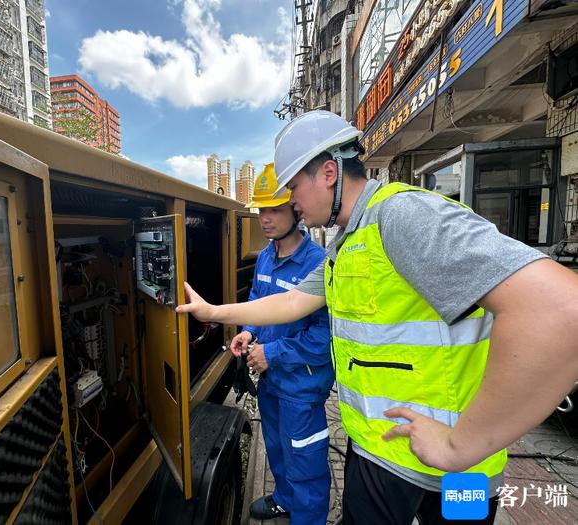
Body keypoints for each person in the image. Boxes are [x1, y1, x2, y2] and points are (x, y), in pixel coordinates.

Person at [177, 111, 578, 524]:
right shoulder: (346, 243)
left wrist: (462, 445)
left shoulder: (402, 216)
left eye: (294, 186)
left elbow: (561, 311)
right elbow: (292, 302)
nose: (290, 200)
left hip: (459, 474)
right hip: (379, 456)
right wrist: (213, 311)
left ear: (329, 172)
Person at [234, 163, 333, 524]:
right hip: (273, 381)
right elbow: (259, 305)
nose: (264, 219)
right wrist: (248, 332)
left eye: (274, 209)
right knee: (276, 447)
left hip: (302, 386)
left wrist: (270, 353)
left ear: (295, 208)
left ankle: (308, 518)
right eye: (261, 210)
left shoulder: (318, 265)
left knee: (304, 457)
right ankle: (284, 499)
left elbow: (323, 339)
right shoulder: (265, 256)